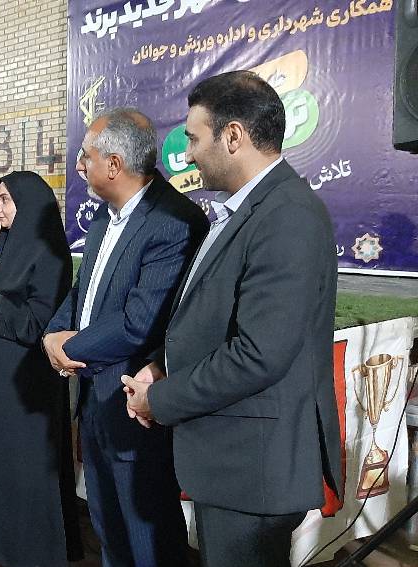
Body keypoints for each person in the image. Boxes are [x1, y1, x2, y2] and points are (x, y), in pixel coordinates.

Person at [122, 71, 343, 567]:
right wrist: (161, 366)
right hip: (234, 463)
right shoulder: (247, 209)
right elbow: (211, 319)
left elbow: (259, 353)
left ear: (234, 136)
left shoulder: (287, 215)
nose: (188, 155)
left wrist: (161, 398)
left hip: (254, 471)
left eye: (194, 139)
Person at [43, 108, 208, 567]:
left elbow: (140, 321)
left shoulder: (174, 220)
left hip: (136, 401)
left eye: (86, 156)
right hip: (94, 397)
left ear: (114, 164)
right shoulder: (104, 217)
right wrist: (52, 334)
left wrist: (68, 348)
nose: (79, 166)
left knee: (147, 533)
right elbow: (83, 289)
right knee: (108, 526)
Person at [0, 171, 82, 567]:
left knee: (24, 470)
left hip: (27, 387)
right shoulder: (8, 245)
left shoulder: (50, 254)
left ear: (28, 205)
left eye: (4, 200)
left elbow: (40, 322)